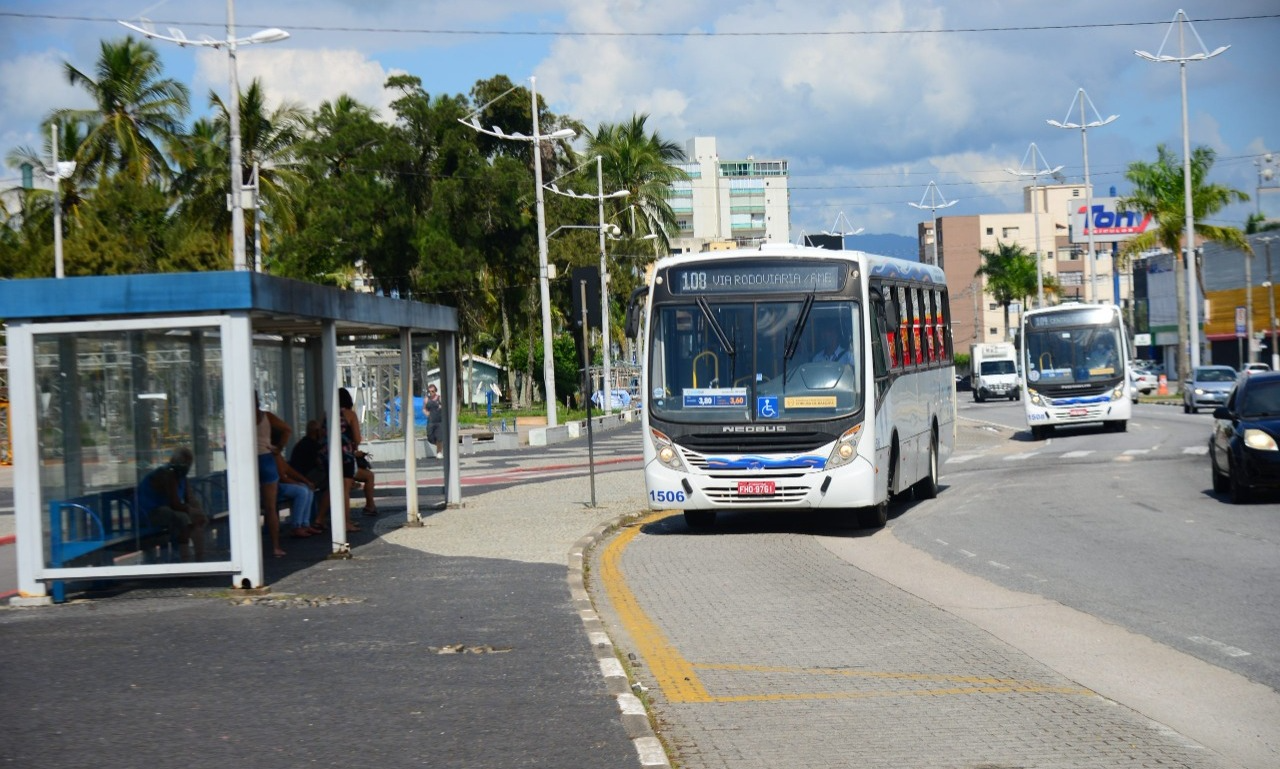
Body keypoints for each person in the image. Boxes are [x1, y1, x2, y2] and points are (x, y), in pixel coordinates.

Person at [136, 447, 207, 562]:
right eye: (184, 463)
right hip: (149, 513)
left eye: (188, 464)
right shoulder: (167, 473)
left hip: (166, 511)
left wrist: (198, 512)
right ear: (174, 462)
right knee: (183, 518)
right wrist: (191, 511)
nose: (186, 467)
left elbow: (190, 498)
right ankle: (183, 559)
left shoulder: (182, 476)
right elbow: (175, 504)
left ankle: (200, 559)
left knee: (195, 519)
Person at [256, 393, 291, 558]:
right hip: (266, 458)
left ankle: (249, 548)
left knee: (248, 507)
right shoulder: (266, 416)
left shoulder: (239, 416)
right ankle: (276, 546)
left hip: (247, 463)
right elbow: (287, 429)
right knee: (271, 507)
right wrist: (278, 448)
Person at [339, 387, 378, 518]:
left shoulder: (327, 414)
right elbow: (357, 438)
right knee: (368, 476)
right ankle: (369, 506)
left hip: (327, 459)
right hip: (345, 458)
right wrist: (355, 451)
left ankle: (322, 519)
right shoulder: (349, 415)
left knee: (343, 486)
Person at [423, 383, 443, 457]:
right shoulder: (426, 399)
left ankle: (439, 452)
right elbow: (424, 409)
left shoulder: (439, 398)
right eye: (429, 391)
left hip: (439, 421)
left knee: (439, 437)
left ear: (435, 391)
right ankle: (440, 445)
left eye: (433, 391)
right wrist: (426, 413)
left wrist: (441, 407)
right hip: (431, 421)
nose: (431, 393)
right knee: (430, 437)